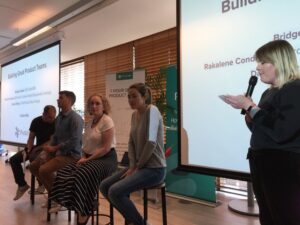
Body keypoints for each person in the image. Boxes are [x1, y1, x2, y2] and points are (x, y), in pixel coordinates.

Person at [222, 39, 300, 225]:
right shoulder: (268, 93)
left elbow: (282, 132)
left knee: (284, 217)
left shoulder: (294, 88)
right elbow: (261, 130)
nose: (258, 67)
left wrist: (250, 106)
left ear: (280, 61)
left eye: (263, 62)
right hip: (263, 162)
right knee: (268, 215)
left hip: (282, 166)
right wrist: (250, 114)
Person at [100, 83, 166, 225]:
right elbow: (131, 142)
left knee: (114, 191)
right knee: (104, 186)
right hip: (138, 167)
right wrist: (132, 166)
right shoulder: (134, 115)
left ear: (144, 96)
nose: (130, 99)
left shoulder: (153, 111)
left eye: (134, 96)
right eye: (129, 97)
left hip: (155, 169)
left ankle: (139, 223)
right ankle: (131, 219)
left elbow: (151, 143)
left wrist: (137, 166)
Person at [49, 93, 118, 225]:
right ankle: (79, 204)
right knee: (65, 171)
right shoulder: (89, 123)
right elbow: (85, 146)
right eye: (92, 103)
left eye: (97, 103)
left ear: (104, 106)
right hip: (90, 157)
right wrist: (83, 157)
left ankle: (85, 210)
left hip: (106, 159)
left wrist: (86, 160)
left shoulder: (107, 120)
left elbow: (105, 148)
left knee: (83, 173)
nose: (94, 106)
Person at [29, 90, 83, 194]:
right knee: (33, 166)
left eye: (61, 98)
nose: (58, 100)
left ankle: (58, 196)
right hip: (57, 153)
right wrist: (48, 148)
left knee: (43, 170)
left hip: (70, 156)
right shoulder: (59, 118)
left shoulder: (75, 119)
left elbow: (74, 141)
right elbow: (55, 136)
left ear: (69, 100)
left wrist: (54, 148)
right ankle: (55, 192)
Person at [10, 105, 56, 201]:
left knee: (35, 158)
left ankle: (42, 184)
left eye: (53, 117)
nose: (52, 119)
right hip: (37, 148)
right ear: (43, 114)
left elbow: (51, 141)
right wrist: (28, 149)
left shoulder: (55, 123)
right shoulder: (36, 121)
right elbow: (31, 138)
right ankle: (22, 185)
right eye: (50, 117)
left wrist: (36, 150)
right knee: (14, 159)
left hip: (50, 149)